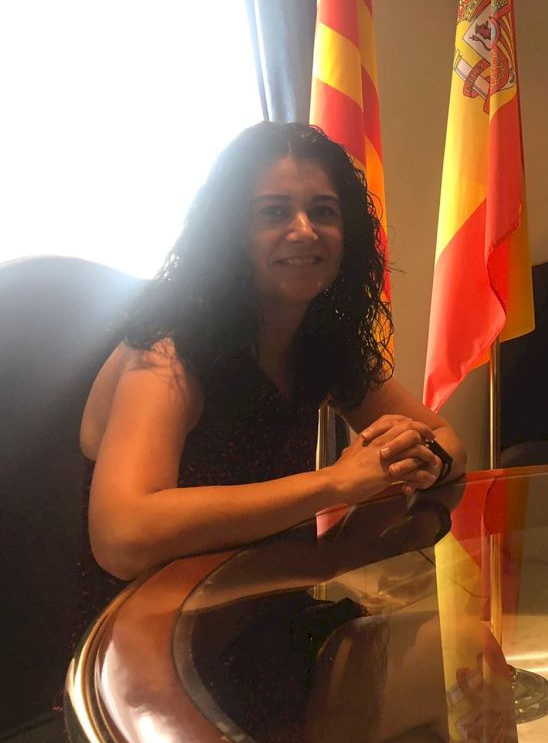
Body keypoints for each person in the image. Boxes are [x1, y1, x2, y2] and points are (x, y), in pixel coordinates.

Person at [79, 122, 466, 587]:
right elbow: (122, 537)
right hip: (144, 610)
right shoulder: (169, 349)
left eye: (323, 211)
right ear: (232, 232)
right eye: (273, 211)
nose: (304, 230)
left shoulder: (319, 337)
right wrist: (334, 483)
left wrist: (421, 459)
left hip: (265, 587)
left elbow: (444, 437)